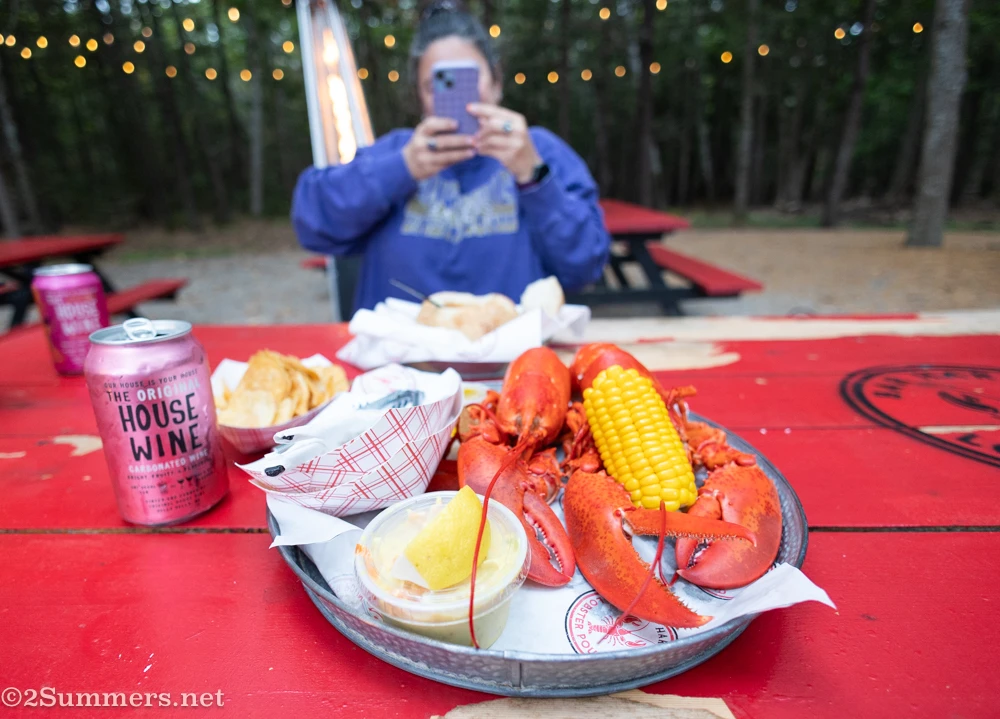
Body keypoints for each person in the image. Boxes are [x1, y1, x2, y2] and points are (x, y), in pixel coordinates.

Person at [291, 1, 611, 313]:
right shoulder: (395, 152)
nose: (458, 94)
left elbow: (586, 266)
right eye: (436, 84)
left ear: (497, 81)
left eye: (469, 79)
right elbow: (312, 223)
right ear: (420, 95)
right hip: (398, 361)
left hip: (512, 361)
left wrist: (534, 178)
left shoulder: (539, 151)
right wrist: (401, 169)